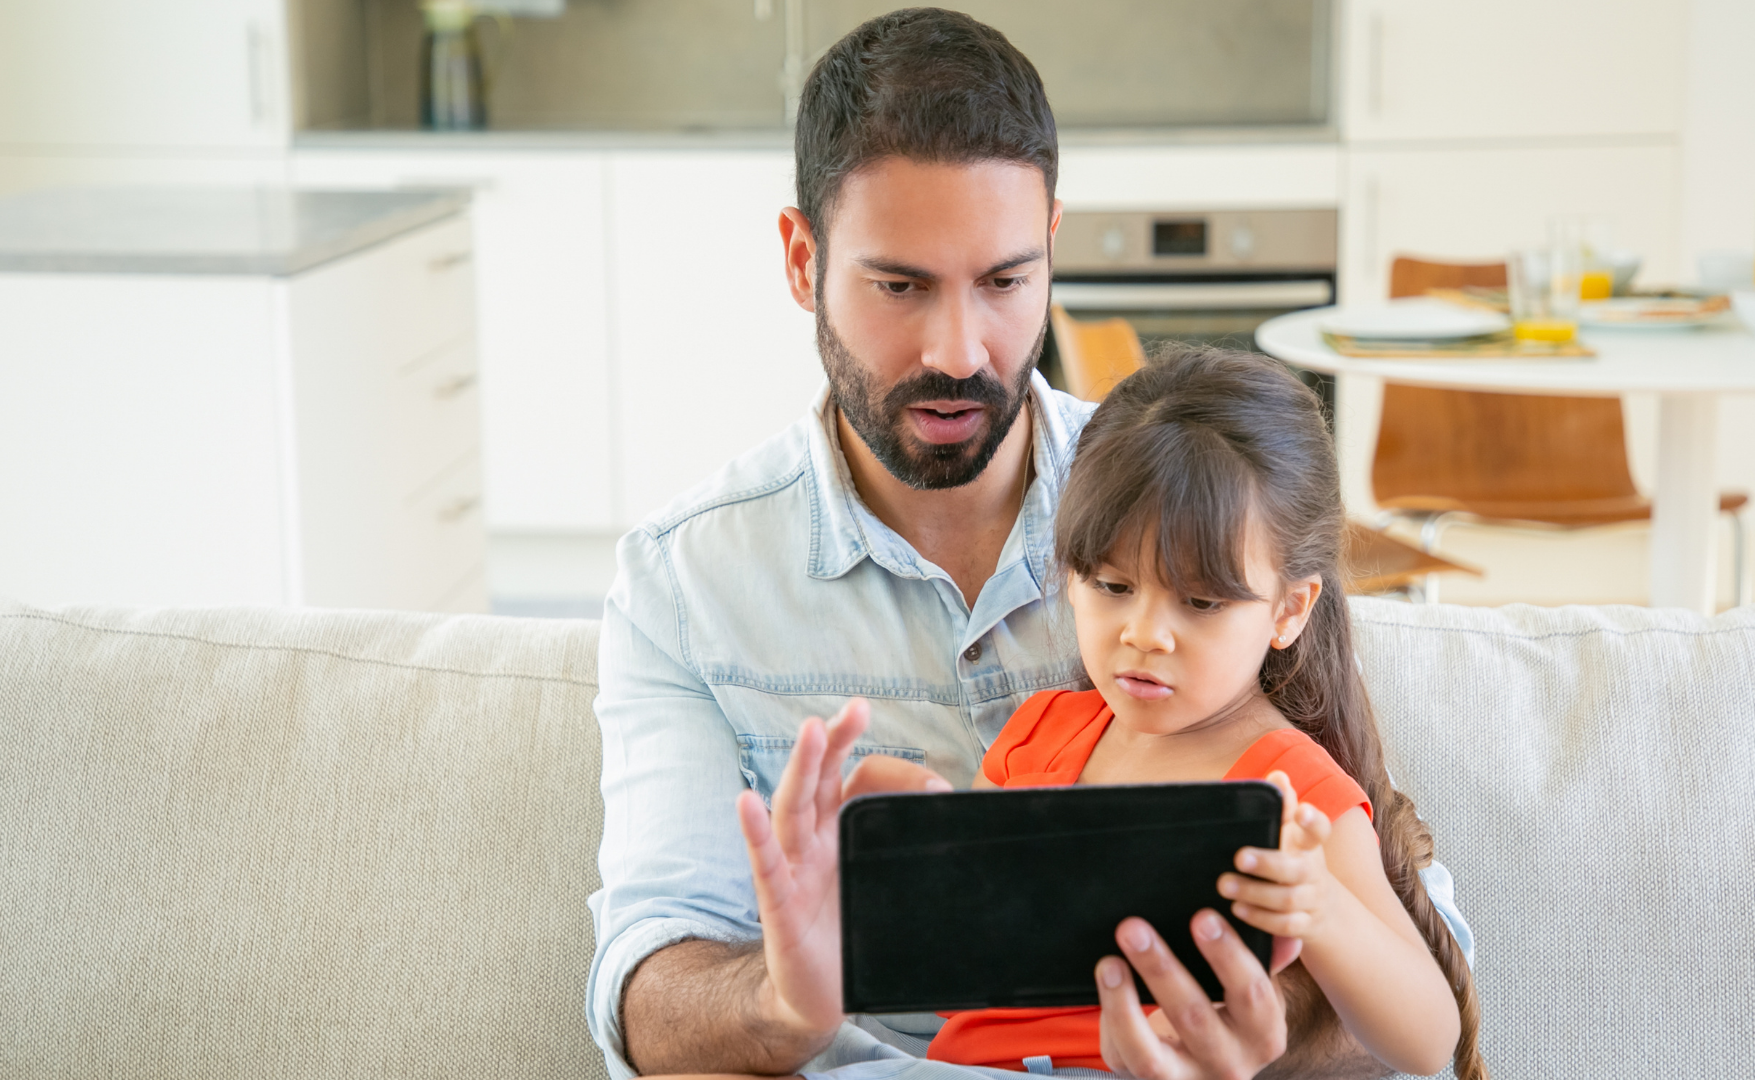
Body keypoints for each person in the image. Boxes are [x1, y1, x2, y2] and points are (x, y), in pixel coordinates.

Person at [588, 10, 1473, 1080]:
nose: (958, 350)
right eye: (899, 285)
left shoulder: (1194, 500)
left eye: (1006, 283)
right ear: (800, 257)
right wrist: (789, 996)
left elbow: (1426, 980)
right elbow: (646, 986)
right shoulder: (682, 581)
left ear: (1053, 242)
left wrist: (1257, 1022)